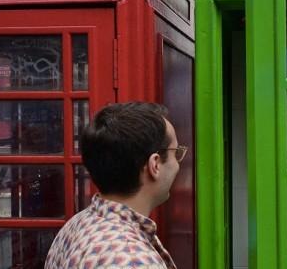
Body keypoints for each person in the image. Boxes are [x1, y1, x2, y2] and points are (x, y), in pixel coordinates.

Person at [45, 102, 186, 268]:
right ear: (154, 164)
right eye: (176, 153)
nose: (177, 164)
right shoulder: (133, 261)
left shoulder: (75, 224)